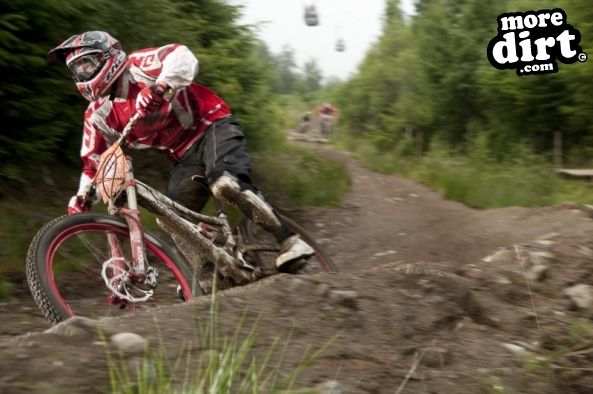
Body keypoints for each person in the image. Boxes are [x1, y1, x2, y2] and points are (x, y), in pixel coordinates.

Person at [47, 31, 313, 273]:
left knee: (225, 184)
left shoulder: (137, 65)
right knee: (170, 219)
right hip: (184, 156)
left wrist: (160, 86)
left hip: (213, 125)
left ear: (108, 56)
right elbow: (93, 164)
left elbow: (182, 56)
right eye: (76, 70)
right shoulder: (97, 116)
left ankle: (289, 240)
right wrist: (82, 196)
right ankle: (208, 272)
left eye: (87, 64)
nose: (83, 73)